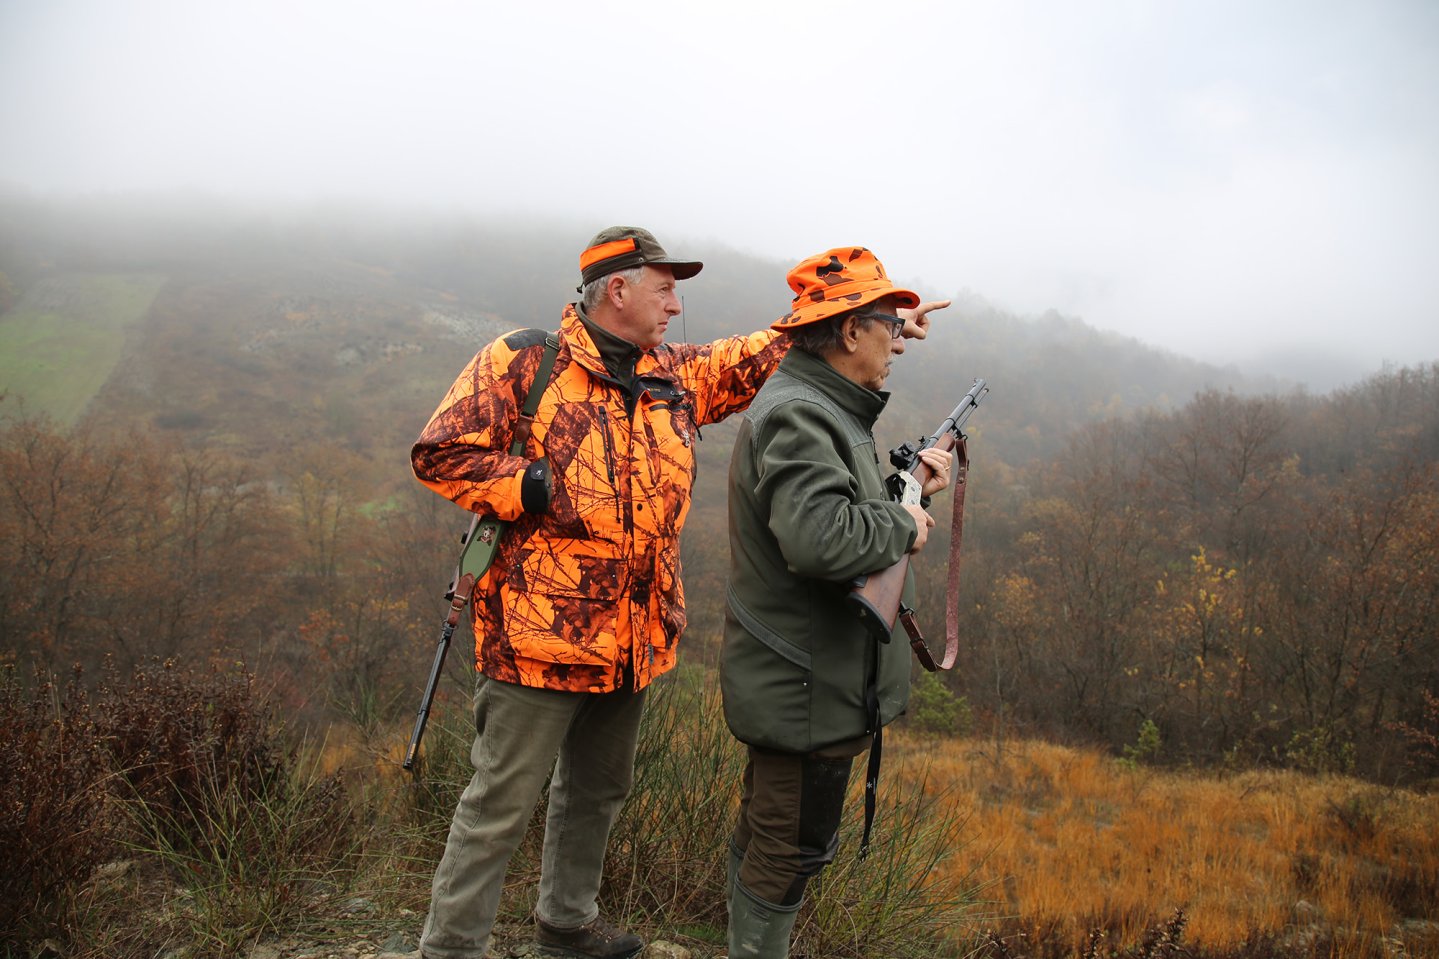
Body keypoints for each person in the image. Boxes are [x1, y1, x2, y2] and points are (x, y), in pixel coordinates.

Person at [408, 225, 796, 959]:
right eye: (665, 288)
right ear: (617, 289)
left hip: (633, 636)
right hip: (536, 637)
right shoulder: (526, 361)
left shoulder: (670, 373)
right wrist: (527, 484)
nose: (675, 306)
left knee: (596, 791)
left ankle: (565, 924)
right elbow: (438, 453)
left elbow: (749, 358)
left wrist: (830, 311)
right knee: (499, 804)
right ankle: (451, 947)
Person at [719, 246, 954, 957]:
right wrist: (905, 522)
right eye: (884, 326)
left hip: (810, 677)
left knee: (774, 831)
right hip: (804, 683)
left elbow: (833, 510)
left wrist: (904, 491)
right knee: (788, 847)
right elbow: (820, 539)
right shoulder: (802, 415)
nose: (896, 343)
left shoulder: (822, 404)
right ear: (849, 334)